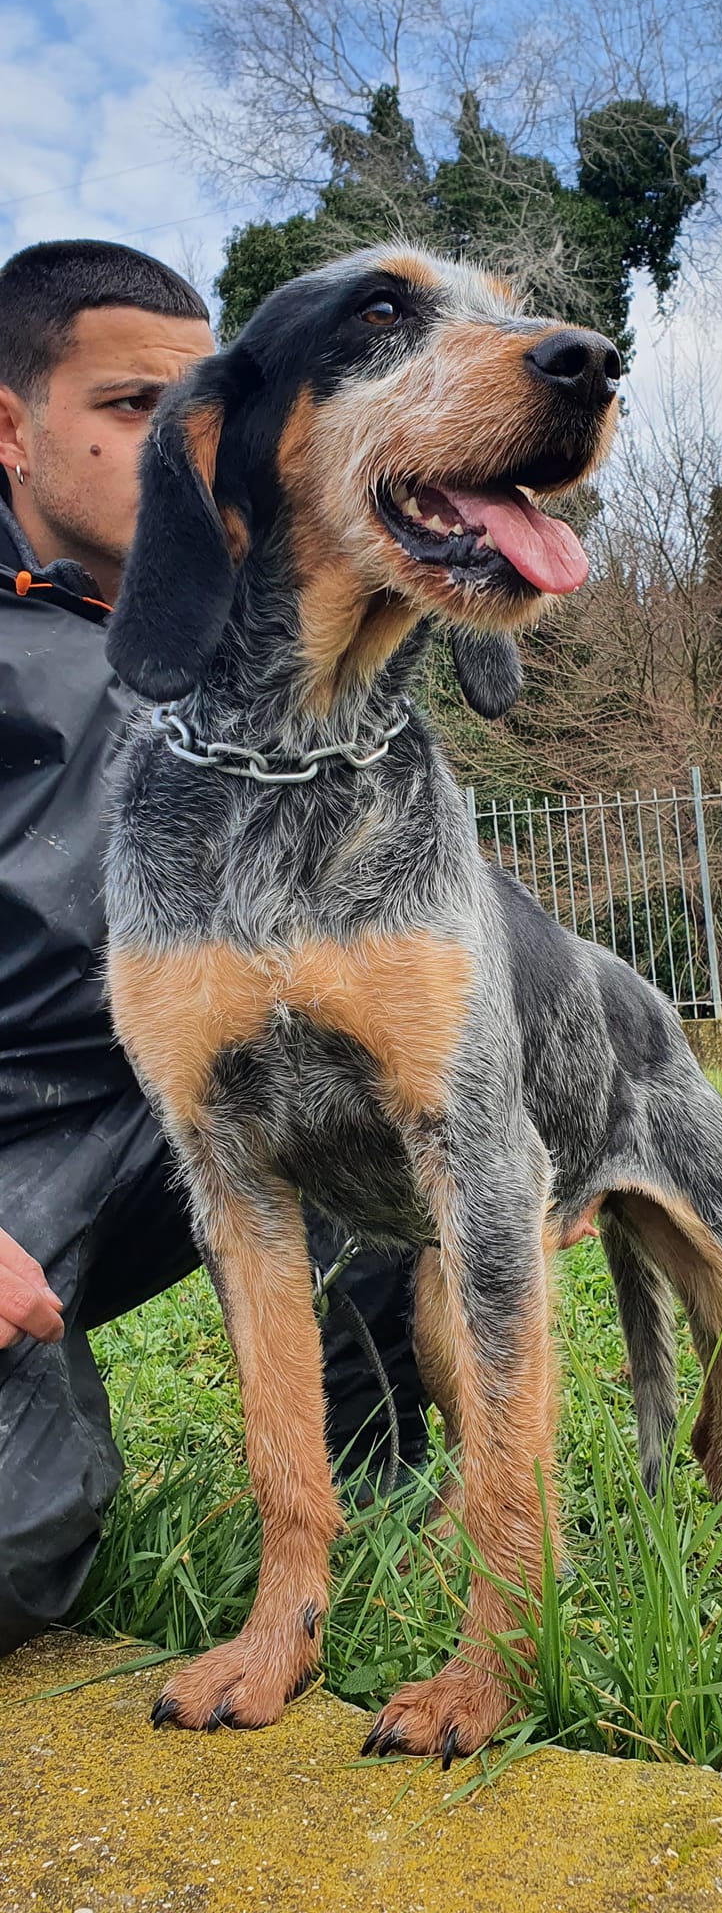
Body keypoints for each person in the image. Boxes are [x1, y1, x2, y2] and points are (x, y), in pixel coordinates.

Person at [0, 239, 427, 1658]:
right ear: (11, 426)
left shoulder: (273, 604)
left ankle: (373, 1480)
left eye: (199, 401)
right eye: (131, 405)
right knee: (10, 1557)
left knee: (370, 1080)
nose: (181, 435)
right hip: (20, 1131)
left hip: (191, 1077)